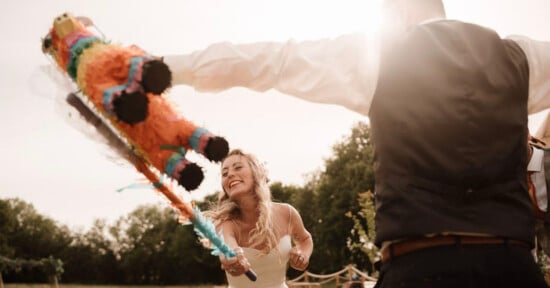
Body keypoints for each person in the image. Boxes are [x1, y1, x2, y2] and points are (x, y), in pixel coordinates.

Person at [163, 0, 550, 286]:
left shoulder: (381, 57)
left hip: (420, 268)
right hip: (513, 268)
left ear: (396, 12)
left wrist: (160, 69)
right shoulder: (521, 57)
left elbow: (270, 61)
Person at [204, 149, 313, 288]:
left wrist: (302, 255)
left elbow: (305, 239)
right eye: (224, 173)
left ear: (256, 173)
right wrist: (232, 258)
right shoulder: (224, 223)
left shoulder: (287, 213)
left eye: (237, 167)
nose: (230, 174)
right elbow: (227, 250)